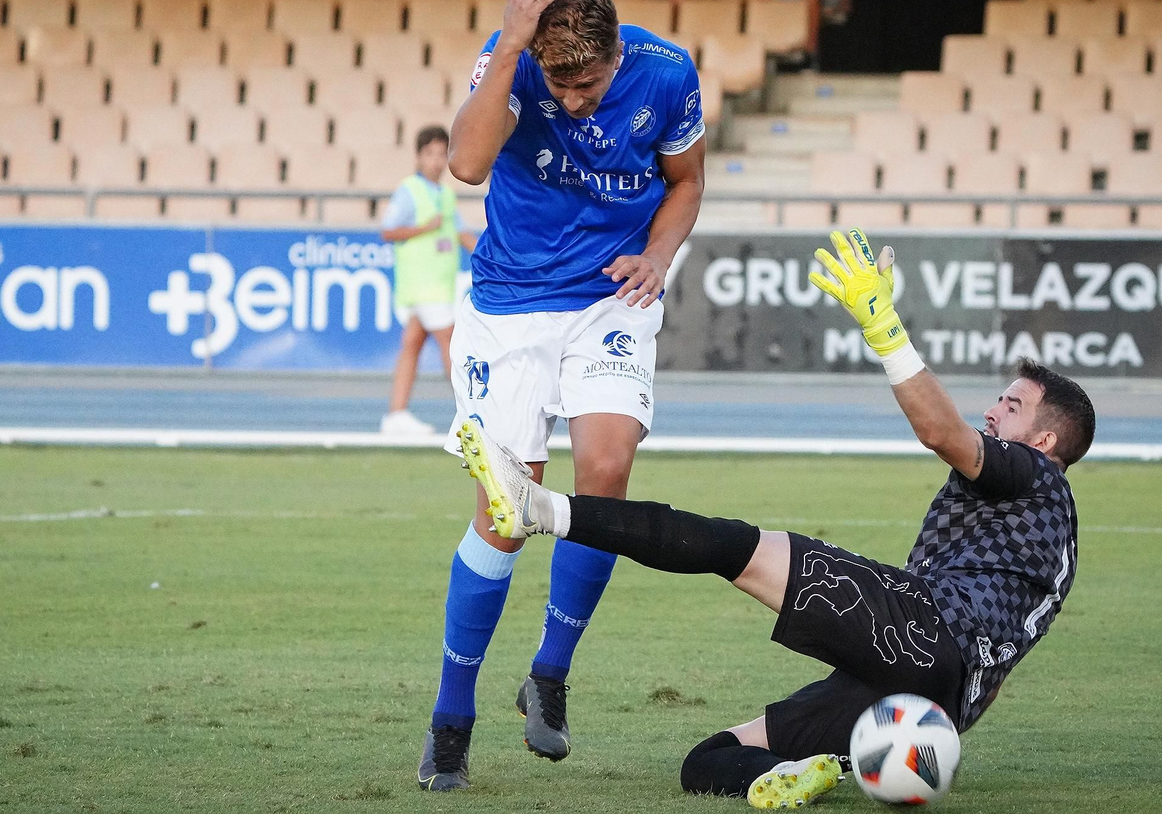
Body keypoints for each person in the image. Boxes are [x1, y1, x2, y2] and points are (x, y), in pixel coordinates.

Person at [456, 228, 1091, 807]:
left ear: (1044, 444)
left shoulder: (1035, 475)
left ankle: (540, 508)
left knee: (730, 547)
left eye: (1011, 405)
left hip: (927, 631)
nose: (994, 410)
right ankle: (780, 780)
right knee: (708, 762)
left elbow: (940, 432)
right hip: (932, 696)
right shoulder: (1052, 533)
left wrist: (883, 325)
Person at [416, 0, 706, 791]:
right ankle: (451, 720)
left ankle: (549, 669)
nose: (573, 100)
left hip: (609, 297)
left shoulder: (668, 71)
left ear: (619, 54)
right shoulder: (511, 61)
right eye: (560, 83)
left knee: (606, 473)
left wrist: (657, 256)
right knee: (507, 514)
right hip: (508, 309)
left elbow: (686, 181)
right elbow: (468, 166)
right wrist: (510, 46)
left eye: (588, 82)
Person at [379, 125, 478, 437]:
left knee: (412, 343)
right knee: (451, 346)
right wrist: (425, 228)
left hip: (438, 283)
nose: (436, 161)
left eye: (441, 154)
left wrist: (493, 253)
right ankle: (471, 415)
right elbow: (388, 230)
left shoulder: (446, 194)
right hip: (422, 283)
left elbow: (461, 234)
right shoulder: (410, 190)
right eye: (430, 154)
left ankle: (396, 414)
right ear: (419, 157)